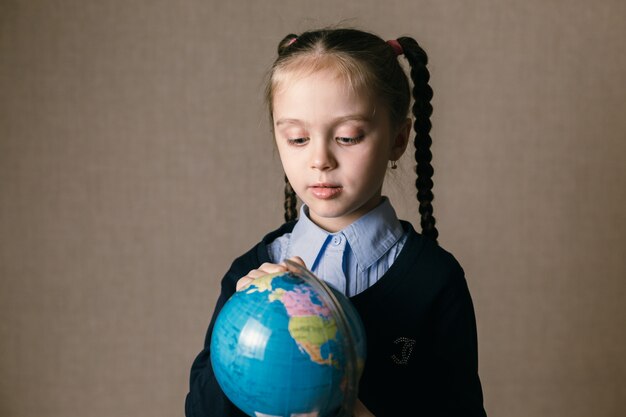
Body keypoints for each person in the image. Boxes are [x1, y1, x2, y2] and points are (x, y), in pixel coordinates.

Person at [186, 27, 487, 417]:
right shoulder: (250, 275)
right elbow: (201, 409)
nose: (320, 159)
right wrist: (239, 324)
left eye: (347, 137)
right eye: (297, 138)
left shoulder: (434, 279)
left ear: (399, 138)